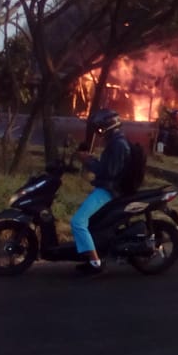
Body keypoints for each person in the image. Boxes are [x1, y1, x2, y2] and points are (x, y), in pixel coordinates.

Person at [71, 108, 130, 277]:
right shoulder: (115, 142)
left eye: (101, 128)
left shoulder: (118, 145)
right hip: (106, 187)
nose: (99, 131)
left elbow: (108, 172)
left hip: (108, 191)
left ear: (110, 126)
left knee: (78, 221)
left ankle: (95, 263)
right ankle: (90, 254)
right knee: (89, 221)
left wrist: (88, 161)